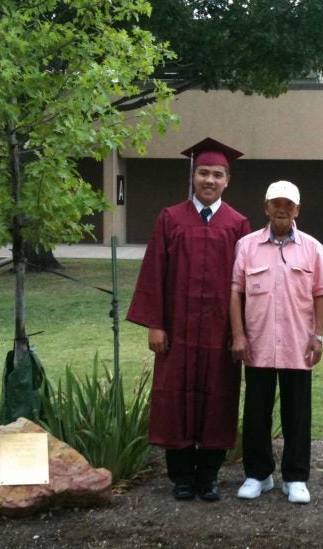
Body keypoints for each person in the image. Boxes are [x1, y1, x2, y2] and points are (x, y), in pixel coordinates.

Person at [127, 137, 251, 502]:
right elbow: (154, 272)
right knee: (174, 398)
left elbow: (245, 283)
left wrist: (240, 332)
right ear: (193, 176)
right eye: (203, 173)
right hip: (176, 332)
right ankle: (181, 477)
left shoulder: (238, 224)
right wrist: (155, 324)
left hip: (220, 332)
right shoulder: (170, 218)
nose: (209, 180)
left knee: (219, 397)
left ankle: (209, 476)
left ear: (227, 179)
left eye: (216, 174)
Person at [230, 180, 323, 504]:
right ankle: (258, 475)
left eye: (288, 205)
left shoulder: (313, 248)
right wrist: (238, 334)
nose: (282, 209)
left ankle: (295, 478)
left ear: (297, 210)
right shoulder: (247, 246)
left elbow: (321, 295)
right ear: (266, 208)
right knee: (256, 413)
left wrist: (318, 337)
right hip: (258, 344)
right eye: (276, 204)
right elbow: (236, 292)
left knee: (297, 413)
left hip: (297, 345)